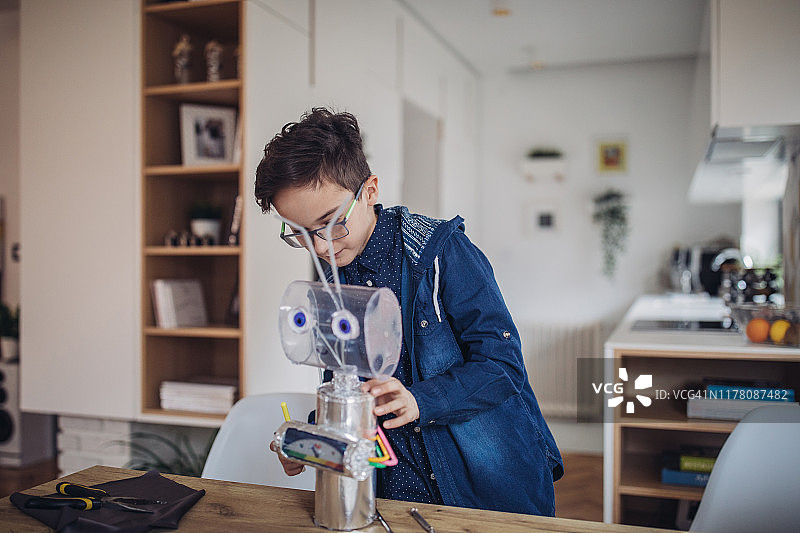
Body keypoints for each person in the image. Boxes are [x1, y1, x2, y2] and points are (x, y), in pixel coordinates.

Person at [256, 107, 563, 516]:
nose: (322, 247)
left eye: (331, 224)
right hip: (394, 499)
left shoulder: (439, 252)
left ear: (369, 191)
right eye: (301, 233)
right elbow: (349, 385)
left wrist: (421, 399)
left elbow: (502, 366)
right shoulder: (332, 278)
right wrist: (317, 440)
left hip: (485, 490)